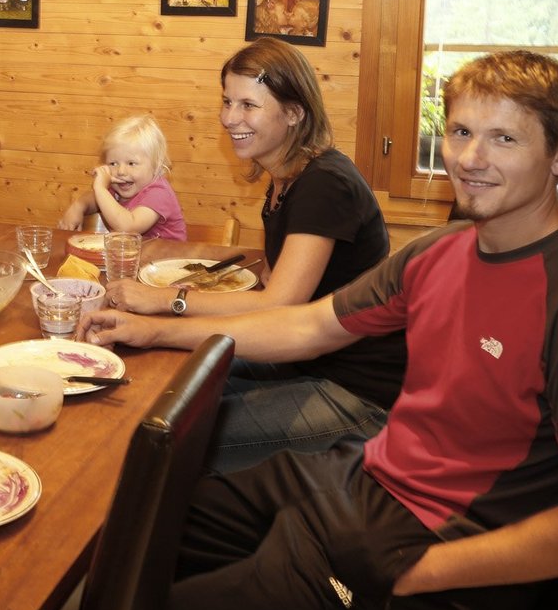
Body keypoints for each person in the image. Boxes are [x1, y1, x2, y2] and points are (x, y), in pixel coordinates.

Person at [80, 50, 558, 610]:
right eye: (460, 132)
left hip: (422, 546)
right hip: (365, 477)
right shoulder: (441, 251)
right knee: (149, 523)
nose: (470, 158)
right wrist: (155, 328)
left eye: (504, 139)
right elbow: (308, 325)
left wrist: (423, 571)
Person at [97, 38, 404, 472]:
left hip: (356, 388)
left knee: (171, 441)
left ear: (295, 113)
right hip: (303, 358)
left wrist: (163, 303)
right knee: (163, 388)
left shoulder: (325, 184)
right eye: (227, 102)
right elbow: (273, 290)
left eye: (248, 105)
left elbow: (279, 304)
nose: (229, 118)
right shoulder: (285, 179)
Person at [58, 114, 188, 241]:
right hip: (135, 259)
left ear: (156, 165)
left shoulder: (159, 193)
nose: (121, 171)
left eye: (131, 163)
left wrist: (100, 188)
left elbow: (127, 228)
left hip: (168, 260)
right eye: (113, 163)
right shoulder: (118, 189)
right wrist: (78, 206)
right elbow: (93, 199)